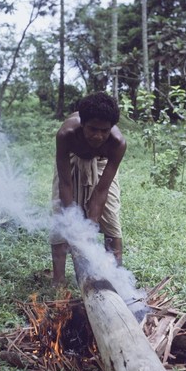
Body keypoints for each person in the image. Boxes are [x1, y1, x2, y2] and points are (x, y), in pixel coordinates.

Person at [51, 91, 127, 286]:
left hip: (102, 161)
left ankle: (116, 280)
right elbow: (65, 184)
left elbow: (101, 192)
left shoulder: (117, 144)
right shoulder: (66, 135)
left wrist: (90, 227)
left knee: (111, 220)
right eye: (92, 129)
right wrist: (72, 223)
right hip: (71, 159)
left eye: (104, 130)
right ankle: (59, 282)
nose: (98, 135)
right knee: (62, 219)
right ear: (82, 123)